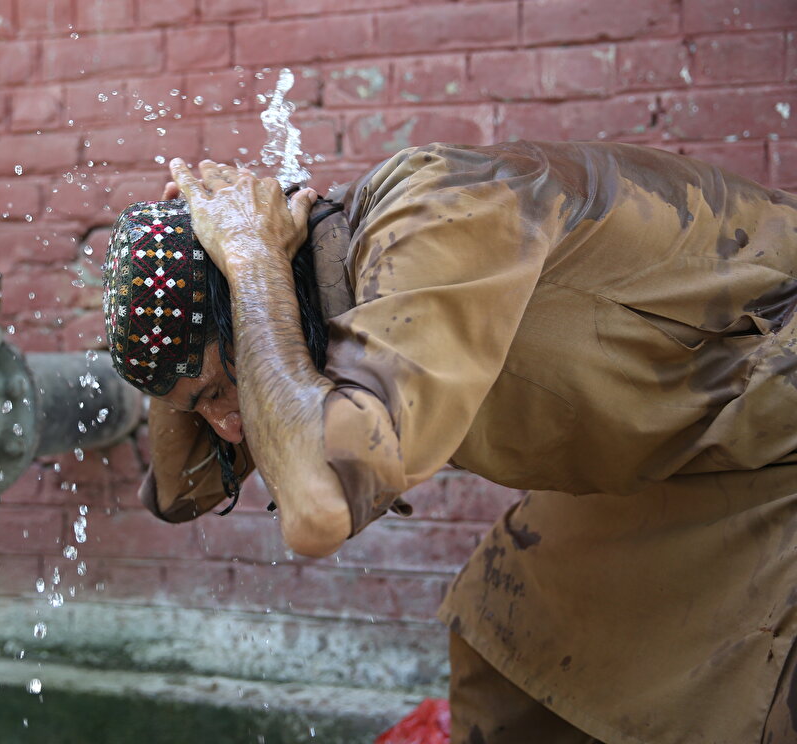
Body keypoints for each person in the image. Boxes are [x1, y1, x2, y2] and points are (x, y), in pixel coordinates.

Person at [101, 140, 797, 744]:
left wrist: (248, 262)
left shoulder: (432, 211)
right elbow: (188, 489)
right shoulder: (300, 311)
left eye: (222, 392)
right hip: (670, 456)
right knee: (510, 644)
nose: (224, 425)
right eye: (202, 408)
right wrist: (173, 281)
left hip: (772, 419)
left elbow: (317, 510)